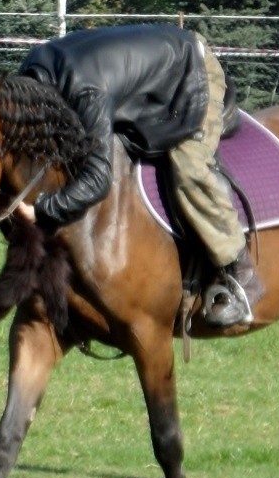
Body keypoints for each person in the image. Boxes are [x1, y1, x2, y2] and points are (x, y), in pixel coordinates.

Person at [15, 23, 264, 326]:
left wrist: (42, 208)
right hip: (151, 72)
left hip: (191, 74)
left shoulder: (85, 92)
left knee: (189, 167)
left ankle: (239, 271)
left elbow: (97, 181)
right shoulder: (31, 73)